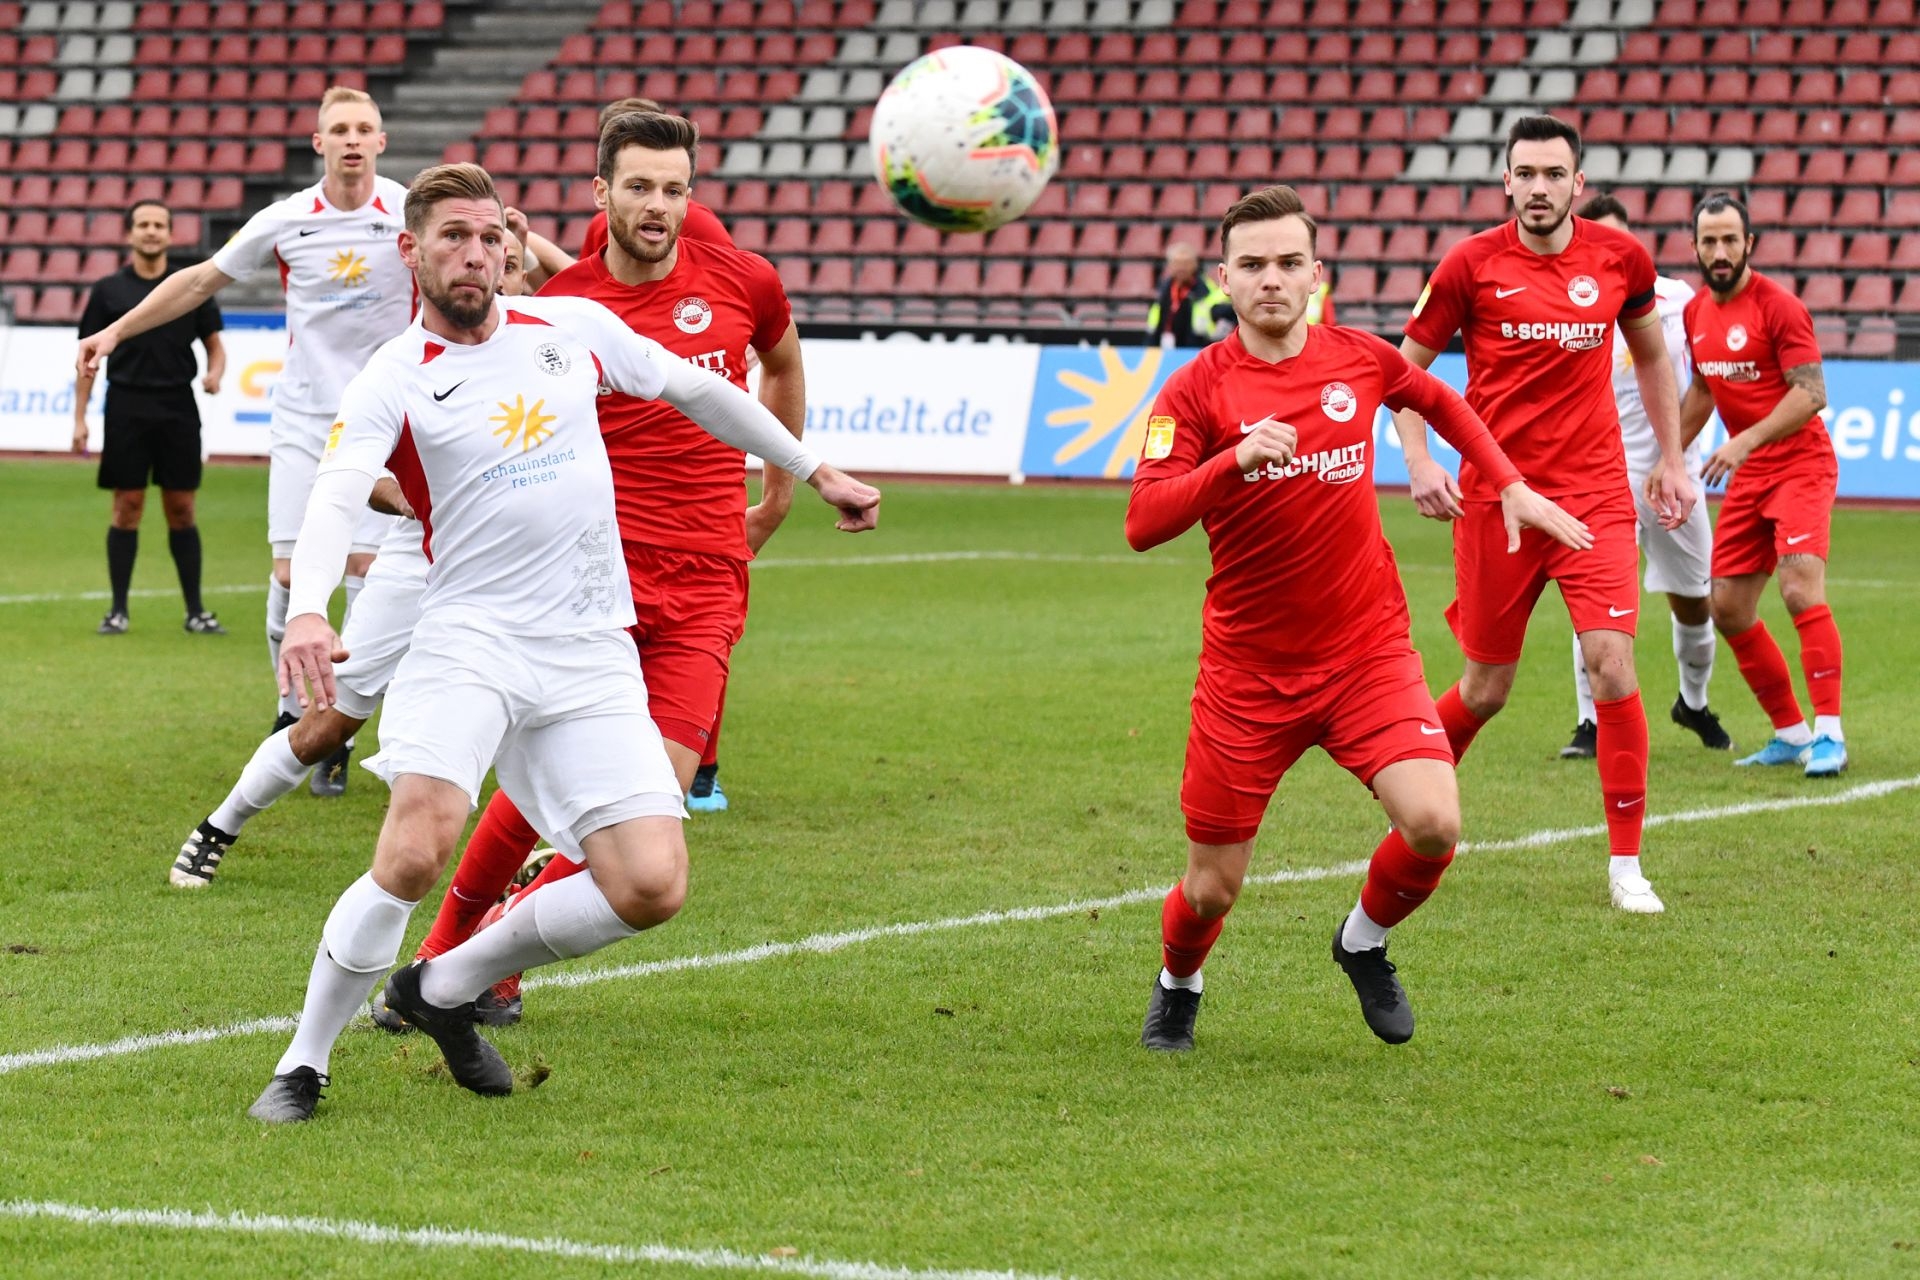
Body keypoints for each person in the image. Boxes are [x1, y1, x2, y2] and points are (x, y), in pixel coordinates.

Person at [246, 162, 879, 1122]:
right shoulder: (396, 375)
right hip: (472, 638)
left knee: (651, 885)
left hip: (588, 646)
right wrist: (307, 607)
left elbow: (698, 395)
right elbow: (338, 490)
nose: (475, 254)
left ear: (510, 246)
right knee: (416, 851)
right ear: (411, 253)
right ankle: (305, 1061)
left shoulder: (568, 329)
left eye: (488, 237)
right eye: (451, 238)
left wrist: (809, 466)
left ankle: (444, 986)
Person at [1126, 186, 1589, 1053]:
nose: (1272, 279)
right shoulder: (1190, 394)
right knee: (1210, 889)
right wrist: (1231, 463)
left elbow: (1441, 401)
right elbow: (1143, 523)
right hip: (1248, 673)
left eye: (1289, 263)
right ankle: (1179, 982)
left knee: (1434, 823)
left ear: (1317, 274)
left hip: (1365, 655)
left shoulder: (1360, 358)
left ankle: (1362, 941)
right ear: (1223, 280)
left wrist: (1510, 480)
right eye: (1253, 265)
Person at [384, 111, 804, 1026]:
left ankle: (467, 960)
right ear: (601, 192)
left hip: (703, 578)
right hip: (590, 579)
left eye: (675, 188)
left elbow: (779, 358)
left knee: (647, 789)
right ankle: (450, 958)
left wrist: (780, 485)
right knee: (543, 796)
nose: (659, 205)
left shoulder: (741, 279)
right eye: (641, 187)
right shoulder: (557, 307)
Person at [1392, 115, 1695, 916]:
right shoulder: (1468, 265)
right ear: (1505, 183)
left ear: (1577, 185)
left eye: (1552, 174)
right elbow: (1403, 373)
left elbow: (1655, 355)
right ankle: (1410, 794)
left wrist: (1671, 458)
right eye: (1523, 174)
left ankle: (1627, 864)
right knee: (1486, 688)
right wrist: (1420, 462)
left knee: (1612, 665)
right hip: (1496, 501)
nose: (1536, 188)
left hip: (1593, 496)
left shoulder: (1621, 258)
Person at [169, 235, 536, 890]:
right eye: (479, 257)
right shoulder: (407, 364)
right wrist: (409, 497)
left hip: (513, 576)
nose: (493, 274)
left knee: (528, 711)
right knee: (323, 728)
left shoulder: (549, 355)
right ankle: (219, 826)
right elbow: (357, 479)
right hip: (414, 565)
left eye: (509, 263)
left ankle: (509, 861)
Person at [76, 85, 413, 796]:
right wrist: (114, 331)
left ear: (381, 142)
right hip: (303, 418)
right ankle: (294, 712)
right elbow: (198, 280)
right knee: (292, 576)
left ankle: (337, 728)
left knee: (363, 573)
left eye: (365, 128)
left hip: (386, 419)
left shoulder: (410, 213)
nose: (352, 139)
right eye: (338, 129)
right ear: (318, 143)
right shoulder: (288, 219)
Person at [1681, 194, 1847, 778]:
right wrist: (1669, 458)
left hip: (1800, 464)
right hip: (1748, 474)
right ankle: (1790, 732)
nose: (1720, 251)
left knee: (1800, 588)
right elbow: (1703, 391)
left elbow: (1811, 393)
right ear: (1695, 247)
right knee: (1727, 608)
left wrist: (1745, 440)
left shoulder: (1779, 307)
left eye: (1731, 240)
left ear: (1749, 243)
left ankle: (1830, 734)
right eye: (1710, 241)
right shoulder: (1695, 312)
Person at [1557, 194, 1727, 760]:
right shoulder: (1567, 306)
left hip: (1670, 477)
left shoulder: (1679, 301)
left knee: (1695, 600)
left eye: (1615, 239)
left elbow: (1705, 384)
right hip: (1599, 478)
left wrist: (1671, 456)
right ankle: (1589, 722)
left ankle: (1693, 702)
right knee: (1593, 605)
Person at [72, 200, 228, 636]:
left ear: (170, 233)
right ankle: (118, 610)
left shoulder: (189, 286)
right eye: (143, 224)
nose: (151, 231)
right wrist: (80, 418)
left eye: (159, 224)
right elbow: (87, 359)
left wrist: (215, 373)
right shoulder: (107, 291)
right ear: (130, 234)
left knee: (182, 508)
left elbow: (215, 346)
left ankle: (196, 611)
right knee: (128, 506)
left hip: (178, 407)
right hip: (126, 406)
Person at [1146, 243, 1229, 348]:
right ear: (1169, 265)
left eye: (1186, 263)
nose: (1181, 267)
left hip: (1198, 351)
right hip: (1162, 353)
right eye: (1177, 263)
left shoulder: (1208, 291)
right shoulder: (1162, 291)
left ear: (1195, 264)